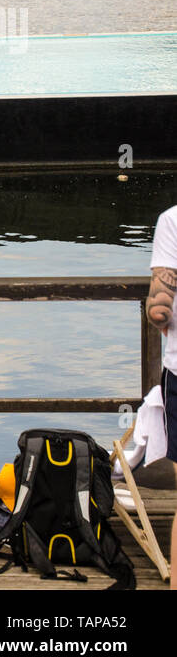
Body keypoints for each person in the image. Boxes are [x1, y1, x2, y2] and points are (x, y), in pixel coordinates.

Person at [143, 204, 177, 589]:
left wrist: (159, 308)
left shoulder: (172, 219)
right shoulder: (173, 220)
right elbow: (161, 291)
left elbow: (161, 291)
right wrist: (159, 308)